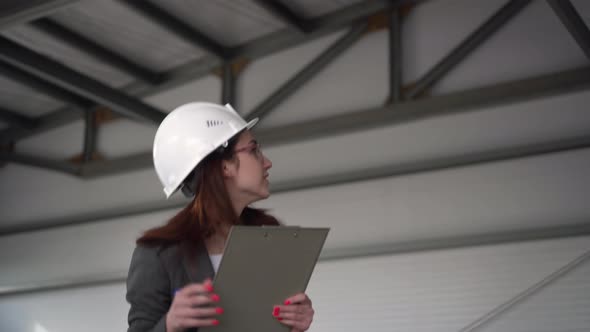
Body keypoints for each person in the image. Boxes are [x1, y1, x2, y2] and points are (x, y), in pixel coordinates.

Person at [126, 102, 315, 332]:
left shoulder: (270, 235)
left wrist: (294, 324)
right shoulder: (158, 254)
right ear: (224, 166)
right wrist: (169, 325)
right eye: (253, 149)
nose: (267, 162)